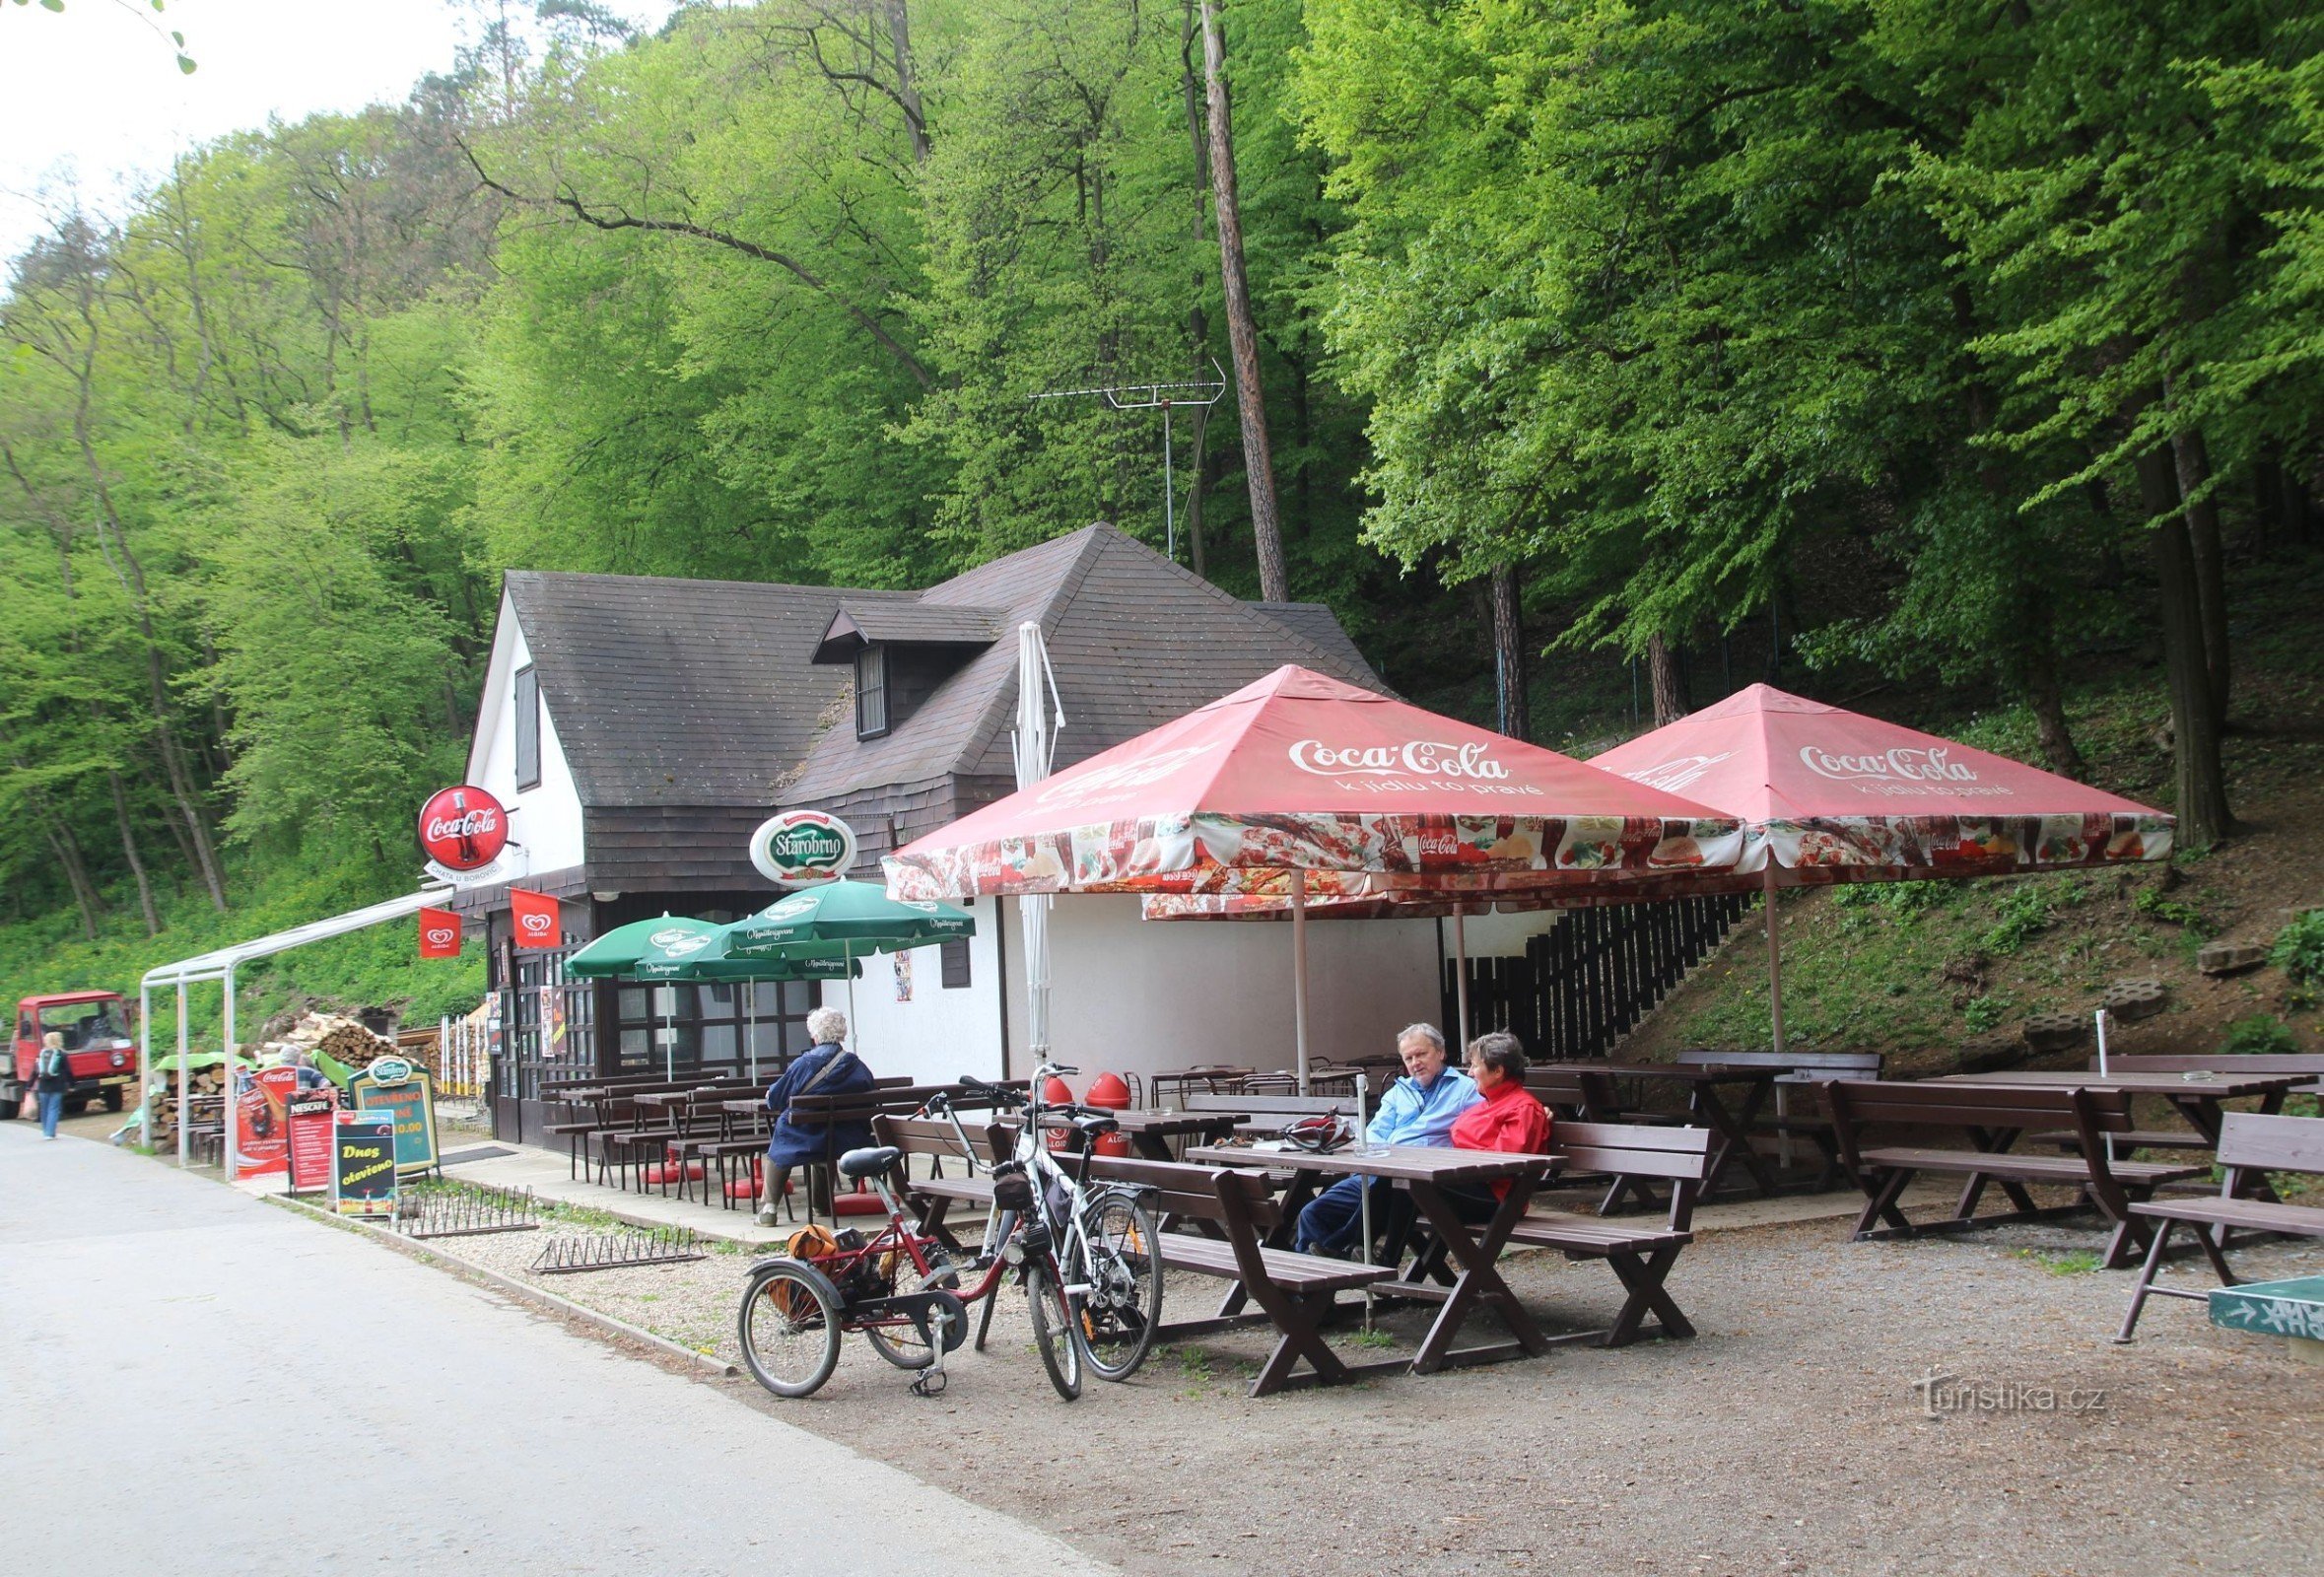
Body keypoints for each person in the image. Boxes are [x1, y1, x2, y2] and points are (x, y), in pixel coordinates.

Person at [1293, 1023, 1477, 1257]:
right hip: (1381, 1173)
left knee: (1373, 1201)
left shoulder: (1466, 1090)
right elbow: (1375, 1133)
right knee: (1313, 1213)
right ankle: (1313, 1283)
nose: (1415, 1063)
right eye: (1408, 1058)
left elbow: (1472, 1135)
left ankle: (1332, 1260)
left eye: (1421, 1054)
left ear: (1440, 1052)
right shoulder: (1399, 1091)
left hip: (1423, 1182)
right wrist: (1379, 1156)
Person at [758, 1006, 874, 1225]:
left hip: (805, 1138)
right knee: (825, 1136)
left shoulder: (806, 1063)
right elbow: (870, 1097)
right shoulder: (856, 1064)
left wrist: (770, 1093)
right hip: (847, 1138)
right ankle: (821, 1204)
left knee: (784, 1136)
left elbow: (775, 1100)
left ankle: (769, 1209)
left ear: (815, 1035)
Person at [1440, 1031, 1551, 1223]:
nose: (1470, 1073)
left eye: (1475, 1066)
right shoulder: (1488, 1103)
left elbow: (1504, 1162)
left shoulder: (1523, 1108)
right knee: (1396, 1184)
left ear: (1498, 1071)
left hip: (1500, 1199)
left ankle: (1386, 1253)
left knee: (1414, 1187)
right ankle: (1381, 1252)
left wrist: (1460, 1161)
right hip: (1469, 1184)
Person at [34, 1031, 70, 1140]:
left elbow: (35, 1071)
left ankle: (46, 1132)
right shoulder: (62, 1054)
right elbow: (68, 1071)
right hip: (57, 1086)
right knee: (53, 1109)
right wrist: (71, 1083)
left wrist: (29, 1085)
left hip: (43, 1086)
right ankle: (50, 1133)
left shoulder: (41, 1054)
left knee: (44, 1109)